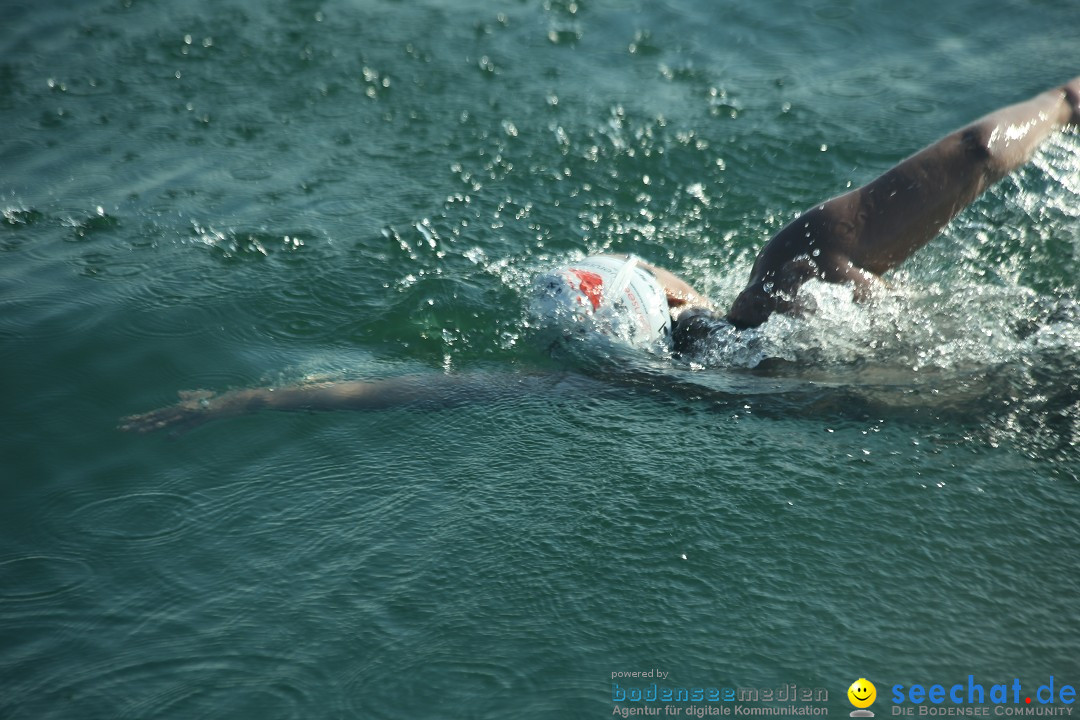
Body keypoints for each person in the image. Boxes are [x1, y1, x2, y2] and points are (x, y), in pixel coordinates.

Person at [121, 77, 1080, 434]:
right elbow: (976, 156)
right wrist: (1070, 101)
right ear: (662, 291)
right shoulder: (792, 275)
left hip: (988, 418)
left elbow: (431, 389)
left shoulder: (642, 392)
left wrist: (248, 399)